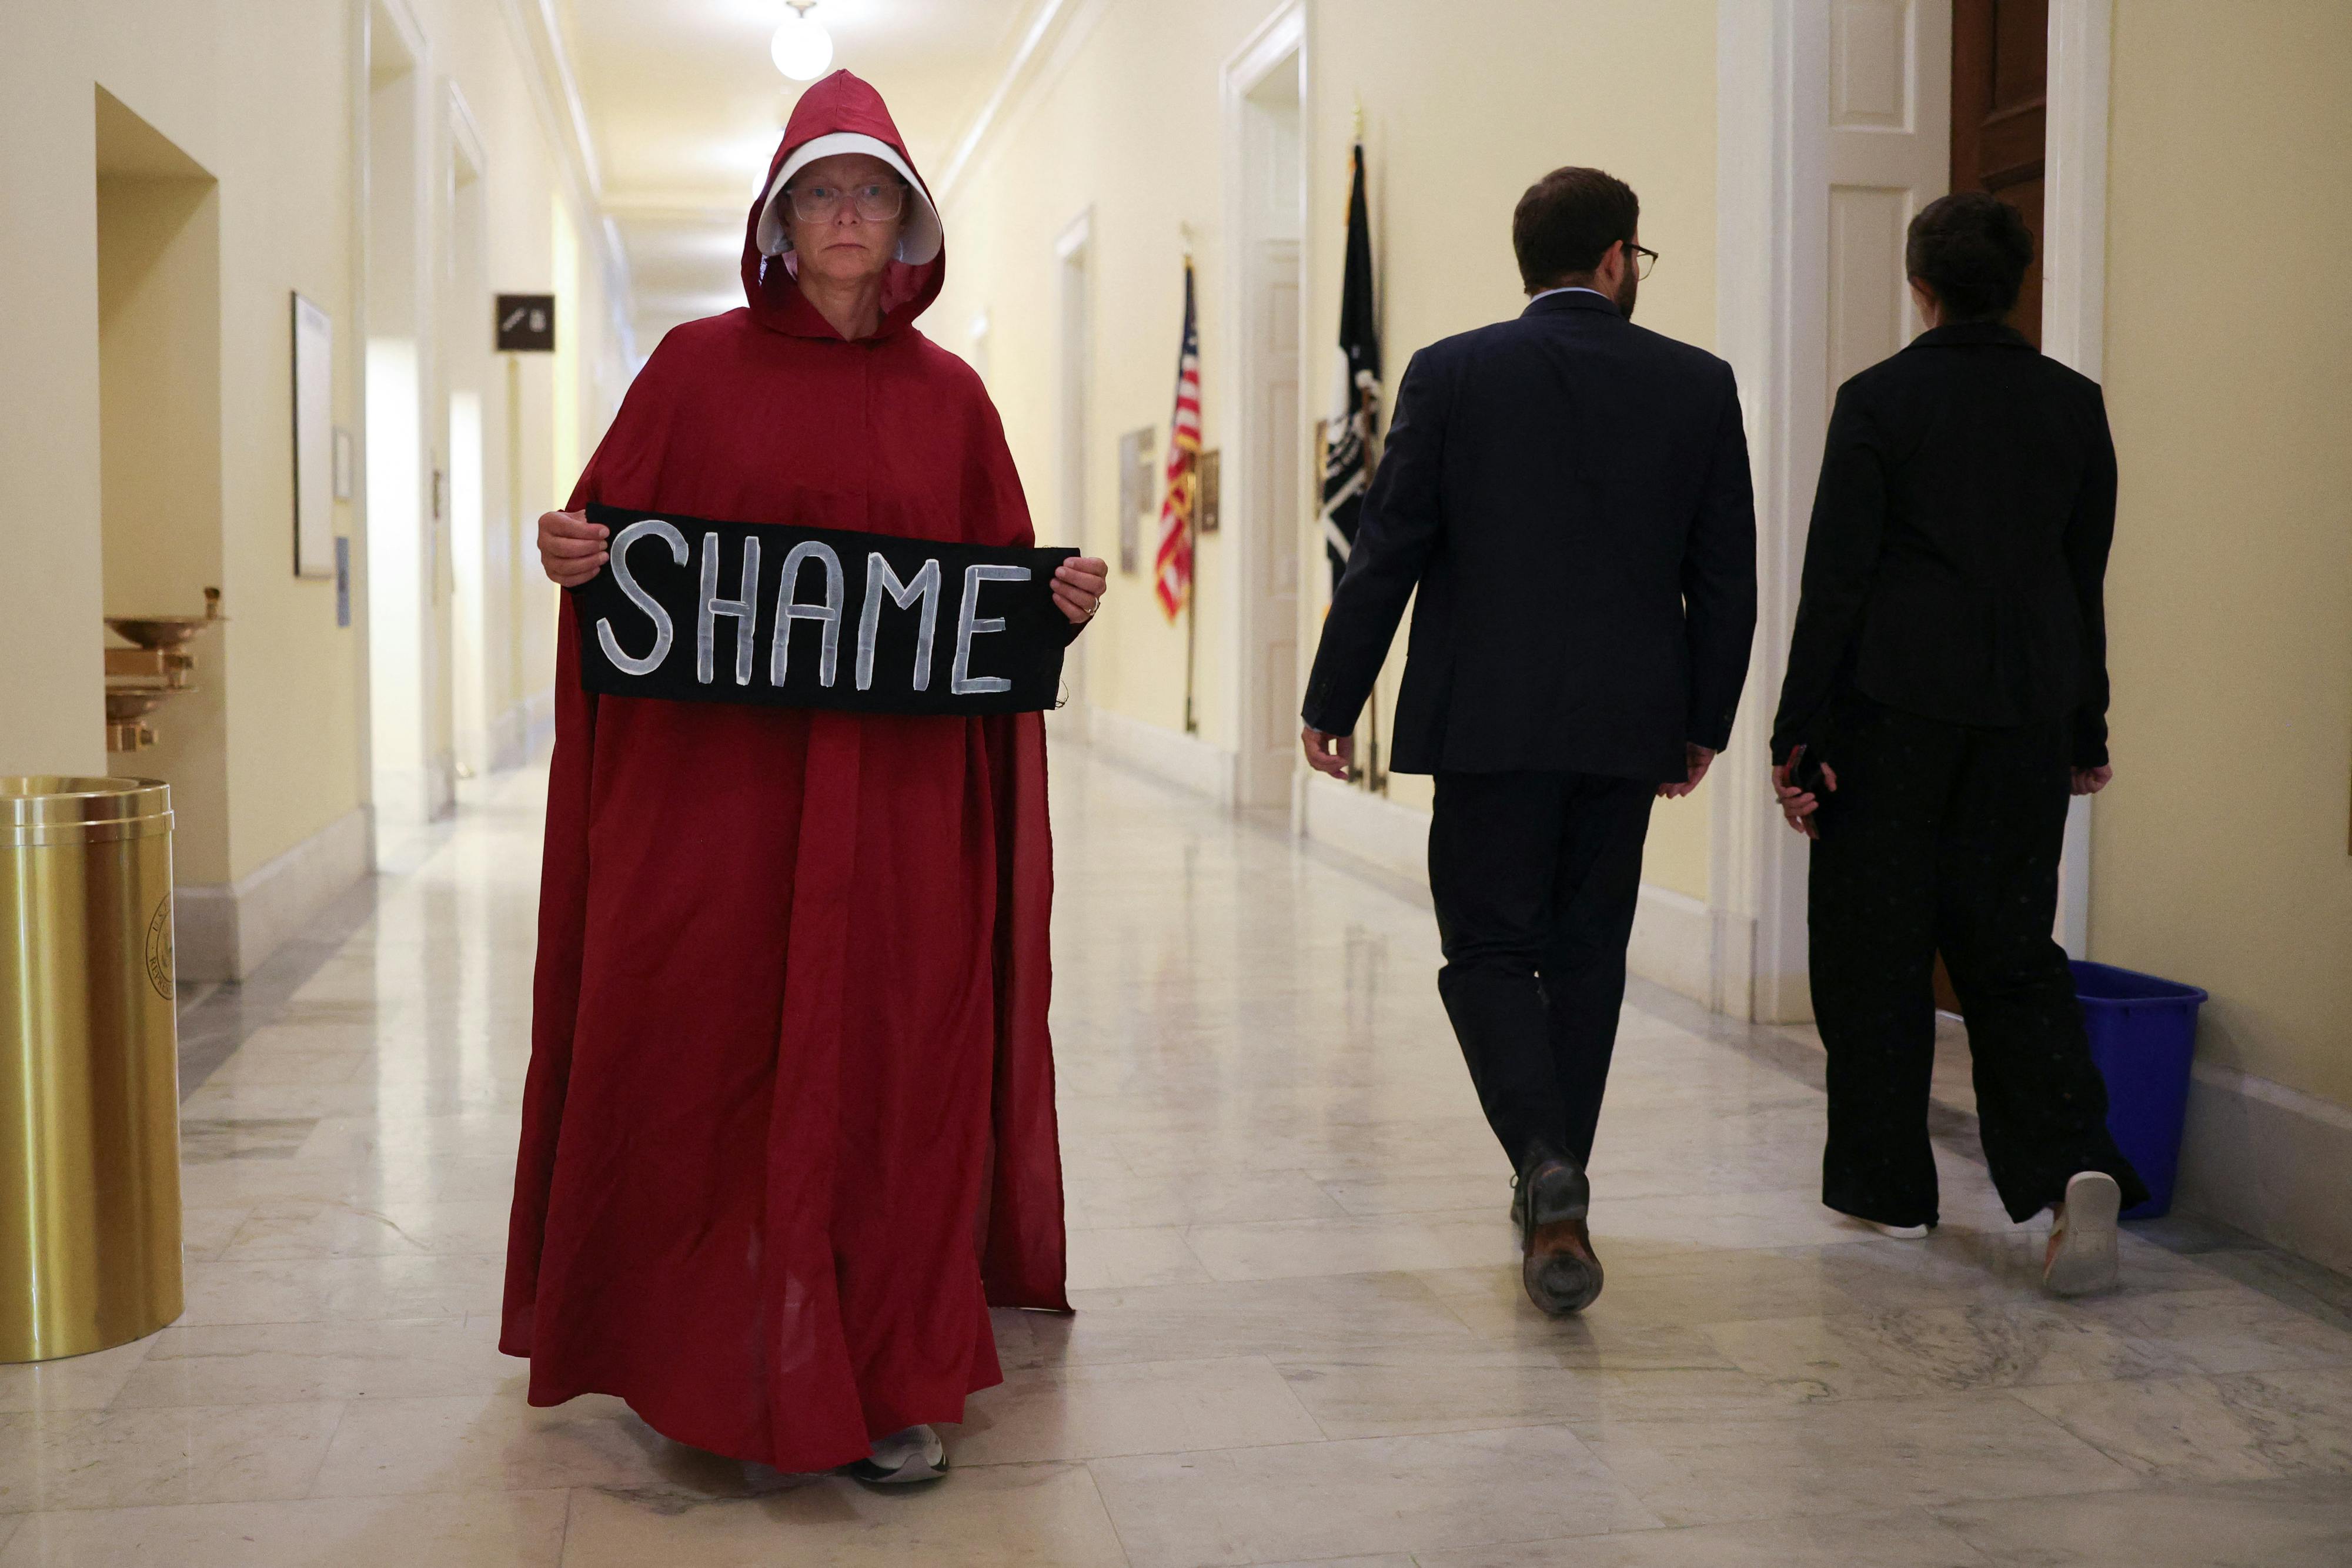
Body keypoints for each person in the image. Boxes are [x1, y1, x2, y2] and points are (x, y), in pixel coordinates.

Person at [502, 71, 1110, 1484]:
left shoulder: (953, 403)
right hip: (716, 812)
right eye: (822, 192)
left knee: (888, 1070)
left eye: (871, 192)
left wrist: (1054, 601)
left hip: (897, 821)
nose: (848, 215)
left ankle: (881, 1366)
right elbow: (609, 546)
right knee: (702, 1056)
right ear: (781, 220)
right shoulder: (689, 373)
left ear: (905, 222)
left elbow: (988, 598)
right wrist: (574, 557)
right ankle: (691, 1349)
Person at [1299, 167, 1757, 1316]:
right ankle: (1553, 1185)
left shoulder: (1451, 373)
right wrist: (1701, 719)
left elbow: (1386, 549)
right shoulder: (1695, 385)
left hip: (1487, 724)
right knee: (1588, 954)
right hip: (1625, 723)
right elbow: (1727, 578)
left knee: (1491, 953)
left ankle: (1546, 1167)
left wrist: (1331, 696)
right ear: (1612, 257)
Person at [1769, 190, 2144, 1296]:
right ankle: (2074, 1166)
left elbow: (1837, 579)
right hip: (2027, 710)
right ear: (2017, 282)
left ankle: (1889, 1192)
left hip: (1891, 713)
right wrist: (2088, 723)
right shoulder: (2076, 406)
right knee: (2014, 951)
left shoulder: (1879, 400)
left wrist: (1801, 734)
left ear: (1917, 283)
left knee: (1871, 944)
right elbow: (2084, 582)